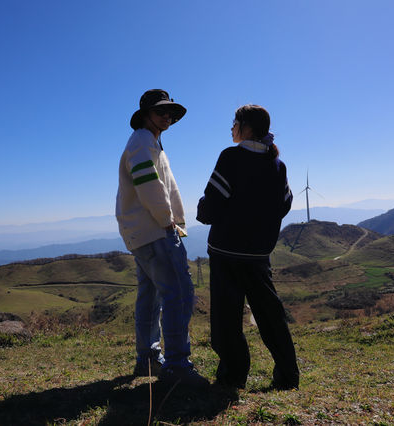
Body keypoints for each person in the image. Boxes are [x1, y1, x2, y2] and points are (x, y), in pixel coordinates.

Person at [197, 104, 299, 390]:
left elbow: (211, 205)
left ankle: (232, 378)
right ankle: (288, 376)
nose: (231, 128)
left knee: (227, 320)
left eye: (234, 123)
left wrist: (201, 211)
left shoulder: (230, 157)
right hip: (258, 255)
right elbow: (285, 204)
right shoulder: (277, 164)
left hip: (225, 252)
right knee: (270, 316)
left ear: (246, 128)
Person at [116, 89, 208, 387]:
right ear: (145, 115)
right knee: (179, 295)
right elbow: (148, 184)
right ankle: (177, 363)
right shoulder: (143, 140)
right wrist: (167, 221)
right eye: (160, 112)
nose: (166, 117)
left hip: (141, 232)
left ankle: (148, 358)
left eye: (170, 113)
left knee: (151, 297)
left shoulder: (149, 142)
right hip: (156, 230)